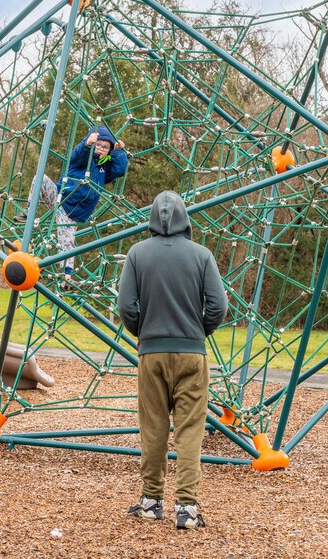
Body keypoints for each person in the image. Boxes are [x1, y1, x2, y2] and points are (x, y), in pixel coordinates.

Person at [117, 190, 227, 529]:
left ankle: (151, 502)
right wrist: (198, 332)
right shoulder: (201, 255)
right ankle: (187, 509)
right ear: (185, 219)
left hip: (151, 353)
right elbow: (218, 306)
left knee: (153, 429)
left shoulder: (137, 254)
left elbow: (126, 307)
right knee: (190, 430)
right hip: (192, 353)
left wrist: (144, 332)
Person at [19, 126, 128, 282]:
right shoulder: (82, 160)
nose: (102, 149)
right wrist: (87, 144)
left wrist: (118, 152)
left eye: (106, 147)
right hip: (60, 197)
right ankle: (28, 211)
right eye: (99, 145)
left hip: (72, 213)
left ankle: (67, 276)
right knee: (39, 178)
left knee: (67, 241)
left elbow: (120, 170)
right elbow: (77, 155)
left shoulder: (105, 168)